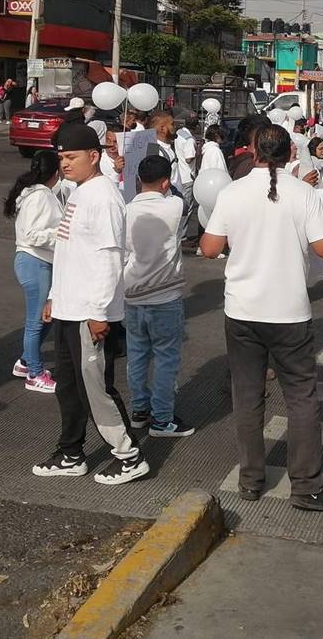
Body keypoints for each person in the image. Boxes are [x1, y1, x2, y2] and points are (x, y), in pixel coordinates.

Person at [200, 123, 323, 511]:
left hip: (242, 310)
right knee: (301, 399)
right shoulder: (303, 193)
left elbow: (208, 248)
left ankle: (251, 479)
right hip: (288, 312)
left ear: (253, 151)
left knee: (248, 396)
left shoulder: (232, 192)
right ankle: (305, 486)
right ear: (290, 153)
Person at [33, 122, 149, 485]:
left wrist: (99, 314)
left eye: (71, 157)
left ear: (93, 156)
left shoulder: (104, 197)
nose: (64, 164)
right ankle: (71, 452)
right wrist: (54, 297)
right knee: (68, 386)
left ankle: (129, 455)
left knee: (96, 388)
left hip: (89, 314)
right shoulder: (80, 191)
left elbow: (109, 259)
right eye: (61, 157)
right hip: (69, 308)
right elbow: (71, 252)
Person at [124, 156, 194, 437]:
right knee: (166, 359)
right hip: (164, 295)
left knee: (137, 355)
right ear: (165, 182)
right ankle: (162, 419)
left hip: (132, 293)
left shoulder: (126, 210)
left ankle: (139, 409)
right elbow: (180, 194)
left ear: (139, 180)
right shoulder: (174, 206)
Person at [4, 150, 63, 393]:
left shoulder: (39, 193)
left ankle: (27, 361)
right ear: (55, 172)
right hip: (35, 261)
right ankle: (35, 374)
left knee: (45, 318)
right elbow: (32, 234)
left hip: (36, 261)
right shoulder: (40, 196)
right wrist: (61, 236)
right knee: (36, 322)